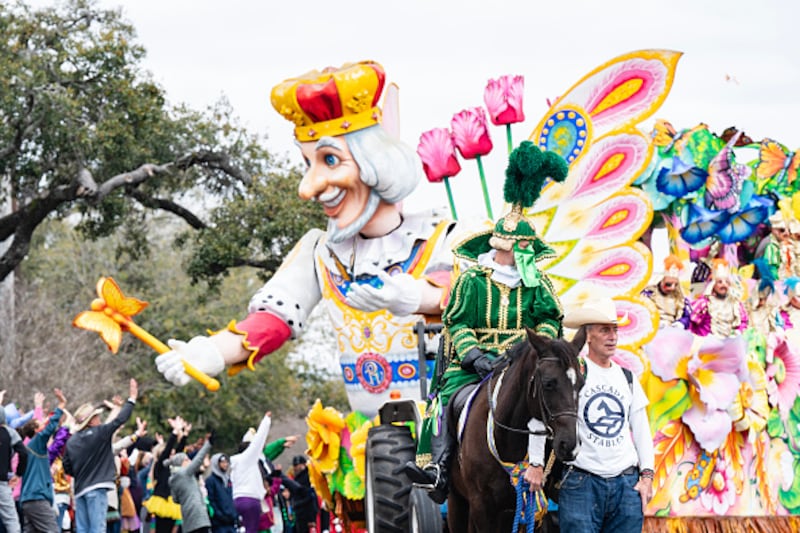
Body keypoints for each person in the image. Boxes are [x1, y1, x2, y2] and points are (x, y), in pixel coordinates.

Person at [155, 60, 459, 417]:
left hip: (451, 441)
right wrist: (212, 352)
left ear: (378, 163)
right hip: (373, 446)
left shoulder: (446, 235)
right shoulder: (321, 252)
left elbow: (471, 295)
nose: (308, 188)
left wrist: (415, 295)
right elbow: (274, 319)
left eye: (330, 160)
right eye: (307, 164)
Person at [404, 141, 568, 503]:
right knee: (447, 399)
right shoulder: (473, 280)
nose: (526, 255)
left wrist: (533, 348)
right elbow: (457, 323)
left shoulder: (537, 283)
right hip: (477, 365)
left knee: (562, 394)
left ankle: (571, 465)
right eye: (521, 249)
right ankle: (440, 468)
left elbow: (550, 318)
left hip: (525, 363)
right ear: (504, 247)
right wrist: (475, 355)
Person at [558, 297, 655, 533]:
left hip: (625, 483)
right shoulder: (573, 373)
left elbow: (641, 430)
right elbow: (550, 416)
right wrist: (537, 464)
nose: (612, 337)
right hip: (582, 482)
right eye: (605, 330)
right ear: (588, 335)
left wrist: (647, 477)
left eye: (615, 330)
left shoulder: (627, 377)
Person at [63, 379, 137, 533]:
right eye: (96, 416)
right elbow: (119, 420)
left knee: (82, 529)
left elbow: (67, 468)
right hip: (96, 489)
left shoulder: (71, 441)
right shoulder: (99, 433)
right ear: (90, 421)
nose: (99, 419)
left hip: (79, 490)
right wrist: (132, 399)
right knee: (98, 529)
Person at [18, 389, 67, 533]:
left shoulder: (29, 448)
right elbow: (49, 428)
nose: (44, 425)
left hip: (27, 501)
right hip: (37, 500)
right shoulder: (37, 443)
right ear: (36, 431)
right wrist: (61, 404)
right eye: (41, 424)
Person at [230, 412, 271, 533]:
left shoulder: (235, 465)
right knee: (252, 530)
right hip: (250, 500)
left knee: (246, 529)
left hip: (238, 500)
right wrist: (266, 421)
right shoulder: (248, 458)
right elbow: (257, 442)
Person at [689, 259, 749, 338]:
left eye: (726, 282)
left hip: (729, 344)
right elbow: (691, 321)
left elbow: (743, 322)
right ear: (713, 284)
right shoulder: (704, 303)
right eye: (720, 282)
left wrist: (738, 332)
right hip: (707, 345)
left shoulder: (736, 303)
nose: (723, 285)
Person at [166, 435, 213, 533]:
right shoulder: (185, 473)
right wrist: (208, 444)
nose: (190, 461)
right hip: (198, 515)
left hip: (187, 517)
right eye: (187, 460)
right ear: (181, 463)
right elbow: (199, 459)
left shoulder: (173, 478)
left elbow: (175, 499)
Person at [0, 391, 28, 533]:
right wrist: (18, 474)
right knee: (11, 521)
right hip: (2, 483)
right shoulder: (9, 432)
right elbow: (23, 453)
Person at [641, 255, 691, 328]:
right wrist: (654, 322)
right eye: (668, 284)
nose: (672, 288)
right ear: (660, 280)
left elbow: (688, 316)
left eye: (676, 284)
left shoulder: (681, 298)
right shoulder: (646, 295)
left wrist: (682, 323)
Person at [280, 457, 317, 533]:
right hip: (299, 513)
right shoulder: (297, 478)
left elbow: (309, 496)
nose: (295, 468)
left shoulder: (308, 477)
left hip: (306, 513)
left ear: (303, 465)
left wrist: (296, 504)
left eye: (296, 465)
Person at [205, 453, 236, 533]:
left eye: (226, 462)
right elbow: (211, 501)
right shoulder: (210, 481)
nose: (225, 464)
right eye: (222, 462)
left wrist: (235, 514)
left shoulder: (228, 480)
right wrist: (219, 515)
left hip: (231, 520)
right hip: (219, 523)